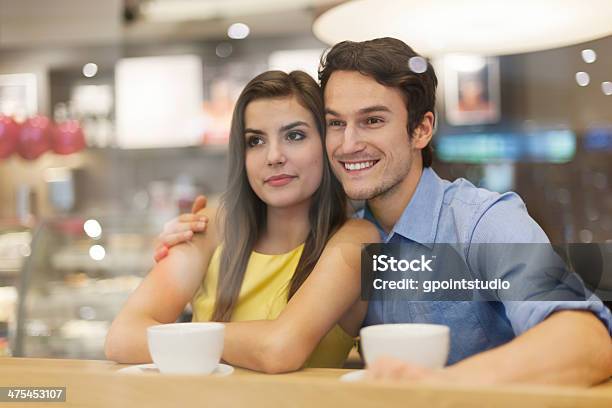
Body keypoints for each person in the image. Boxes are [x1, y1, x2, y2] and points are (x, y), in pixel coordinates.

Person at [158, 38, 612, 386]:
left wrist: (444, 386)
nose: (348, 144)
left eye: (372, 121)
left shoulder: (479, 222)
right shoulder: (345, 232)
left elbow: (586, 340)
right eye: (336, 123)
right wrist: (199, 233)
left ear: (421, 129)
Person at [104, 70, 380, 372]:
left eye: (294, 135)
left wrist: (179, 339)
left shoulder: (357, 239)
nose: (273, 156)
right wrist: (240, 344)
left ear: (327, 143)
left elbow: (278, 349)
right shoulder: (214, 222)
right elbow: (122, 338)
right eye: (255, 141)